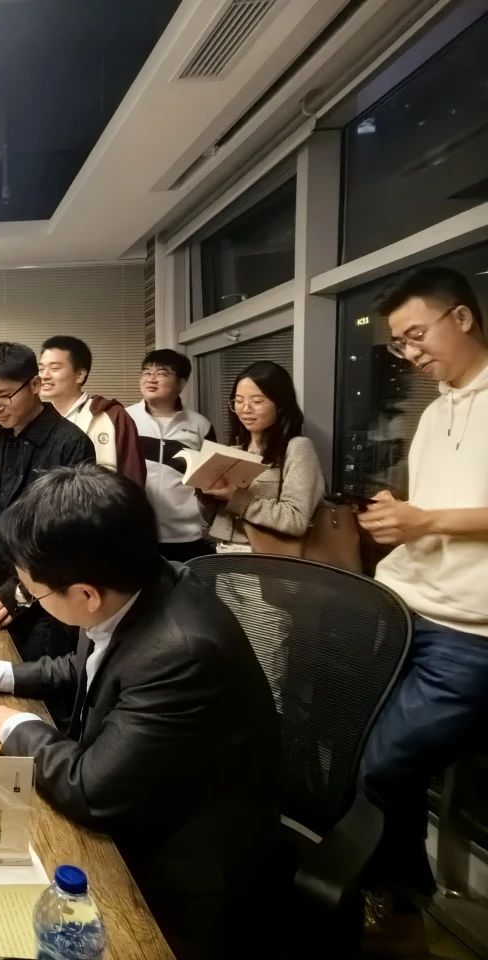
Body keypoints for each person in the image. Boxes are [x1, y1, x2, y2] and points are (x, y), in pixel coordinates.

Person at [0, 465, 279, 960]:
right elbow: (90, 664)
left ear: (86, 595)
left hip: (181, 870)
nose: (30, 599)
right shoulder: (135, 580)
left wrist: (12, 723)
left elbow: (90, 789)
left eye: (34, 592)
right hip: (141, 797)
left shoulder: (180, 653)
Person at [356, 267, 488, 950]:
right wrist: (400, 518)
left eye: (416, 335)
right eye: (399, 343)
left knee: (387, 764)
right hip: (406, 608)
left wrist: (426, 519)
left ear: (461, 318)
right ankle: (385, 891)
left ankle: (402, 910)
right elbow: (437, 510)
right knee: (351, 748)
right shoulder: (436, 410)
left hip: (472, 631)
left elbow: (441, 516)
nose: (409, 353)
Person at [0, 342, 94, 662]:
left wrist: (19, 592)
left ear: (35, 385)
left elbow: (69, 536)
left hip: (45, 602)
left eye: (4, 397)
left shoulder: (71, 444)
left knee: (32, 682)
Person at [198, 360, 325, 551]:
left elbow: (296, 520)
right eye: (239, 401)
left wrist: (235, 497)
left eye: (257, 401)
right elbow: (211, 519)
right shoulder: (233, 451)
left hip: (265, 554)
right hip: (223, 550)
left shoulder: (297, 448)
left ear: (280, 405)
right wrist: (207, 496)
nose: (245, 409)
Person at [127, 349, 217, 562]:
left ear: (181, 383)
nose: (151, 379)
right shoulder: (125, 419)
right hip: (136, 531)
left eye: (162, 373)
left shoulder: (200, 425)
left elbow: (212, 480)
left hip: (187, 535)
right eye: (146, 372)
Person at [38, 335, 145, 484]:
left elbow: (133, 475)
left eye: (54, 368)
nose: (44, 376)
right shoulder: (36, 418)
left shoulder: (111, 415)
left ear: (80, 375)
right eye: (41, 368)